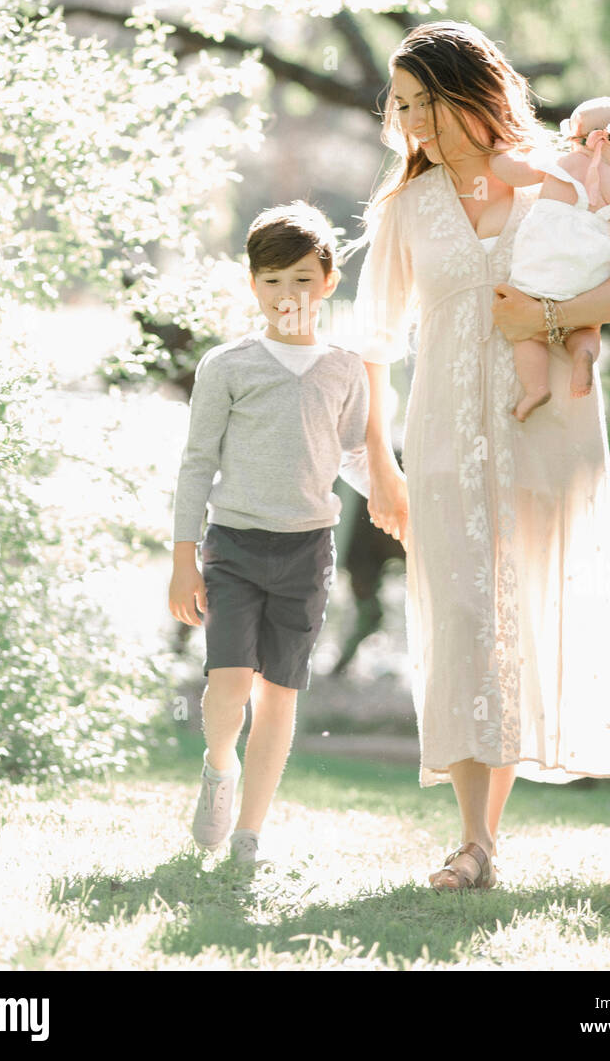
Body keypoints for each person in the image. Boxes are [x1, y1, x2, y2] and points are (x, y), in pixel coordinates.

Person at [348, 21, 610, 892]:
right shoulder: (406, 209)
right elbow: (373, 345)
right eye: (402, 105)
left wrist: (549, 321)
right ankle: (475, 842)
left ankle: (481, 840)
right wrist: (380, 467)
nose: (411, 121)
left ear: (468, 92)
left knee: (513, 618)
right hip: (445, 441)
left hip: (545, 440)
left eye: (423, 101)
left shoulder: (555, 179)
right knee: (462, 621)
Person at [168, 201, 370, 866]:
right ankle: (218, 767)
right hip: (233, 545)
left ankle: (249, 834)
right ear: (253, 284)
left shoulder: (345, 367)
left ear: (328, 281)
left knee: (279, 694)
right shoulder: (227, 366)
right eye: (273, 280)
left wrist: (403, 503)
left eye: (303, 280)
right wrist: (182, 559)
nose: (289, 295)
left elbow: (351, 453)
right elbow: (198, 462)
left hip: (307, 550)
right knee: (228, 686)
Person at [488, 96, 610, 420]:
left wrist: (499, 152)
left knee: (526, 335)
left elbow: (514, 173)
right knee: (587, 327)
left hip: (538, 271)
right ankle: (583, 356)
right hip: (586, 276)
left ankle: (535, 389)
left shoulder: (560, 163)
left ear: (575, 136)